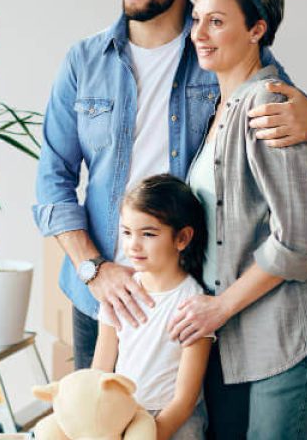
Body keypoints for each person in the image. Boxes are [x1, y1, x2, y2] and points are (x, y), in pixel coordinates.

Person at [32, 0, 307, 370]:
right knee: (97, 422)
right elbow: (52, 182)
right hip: (102, 296)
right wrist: (95, 270)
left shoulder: (219, 51)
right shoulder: (84, 61)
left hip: (190, 298)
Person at [169, 0, 307, 439]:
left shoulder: (268, 105)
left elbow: (299, 237)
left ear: (257, 30)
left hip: (289, 340)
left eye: (217, 21)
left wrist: (219, 307)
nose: (199, 34)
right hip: (240, 346)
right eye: (197, 19)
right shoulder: (221, 109)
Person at [90, 174, 211, 440]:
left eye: (148, 234)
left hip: (176, 422)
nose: (133, 245)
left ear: (182, 238)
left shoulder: (193, 303)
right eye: (127, 232)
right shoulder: (117, 295)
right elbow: (99, 371)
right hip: (124, 415)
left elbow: (185, 398)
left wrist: (153, 434)